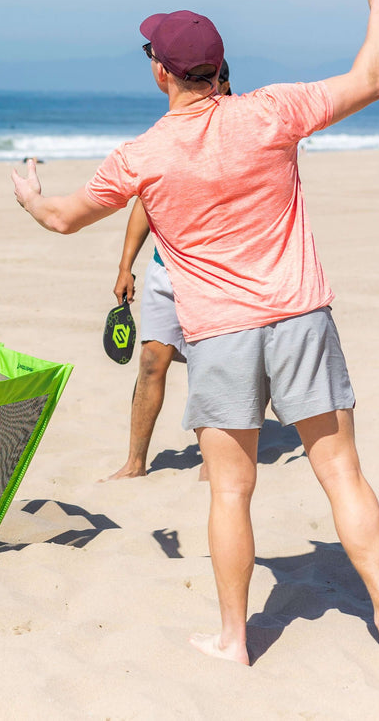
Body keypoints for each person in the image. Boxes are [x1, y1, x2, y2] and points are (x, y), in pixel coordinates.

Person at [10, 0, 379, 684]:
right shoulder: (271, 110)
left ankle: (235, 637)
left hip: (221, 335)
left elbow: (63, 219)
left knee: (229, 490)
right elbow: (370, 79)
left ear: (161, 73)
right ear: (217, 66)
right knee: (343, 473)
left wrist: (28, 195)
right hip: (300, 317)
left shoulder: (142, 155)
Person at [105, 60, 230, 481]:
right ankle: (135, 462)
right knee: (151, 361)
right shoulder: (170, 135)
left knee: (207, 366)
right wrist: (126, 266)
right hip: (164, 271)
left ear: (223, 84)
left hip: (215, 278)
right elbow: (145, 202)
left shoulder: (237, 136)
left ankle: (211, 463)